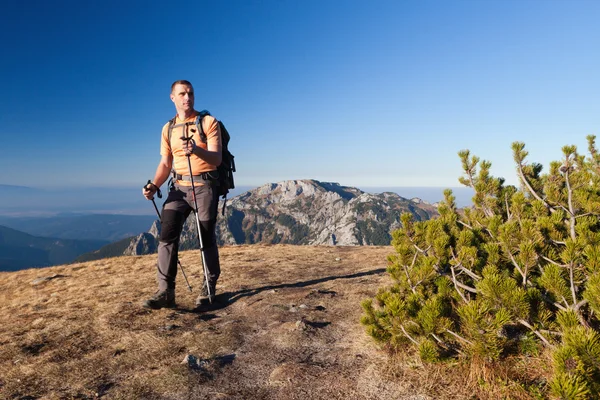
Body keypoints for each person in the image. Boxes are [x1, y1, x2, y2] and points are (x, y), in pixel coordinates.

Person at [142, 80, 222, 309]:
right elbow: (165, 164)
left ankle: (208, 287)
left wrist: (196, 149)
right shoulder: (167, 128)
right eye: (182, 93)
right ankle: (165, 291)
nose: (187, 97)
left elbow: (216, 159)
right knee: (166, 234)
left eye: (191, 93)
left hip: (204, 186)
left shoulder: (208, 122)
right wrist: (154, 186)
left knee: (206, 237)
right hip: (178, 188)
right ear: (172, 98)